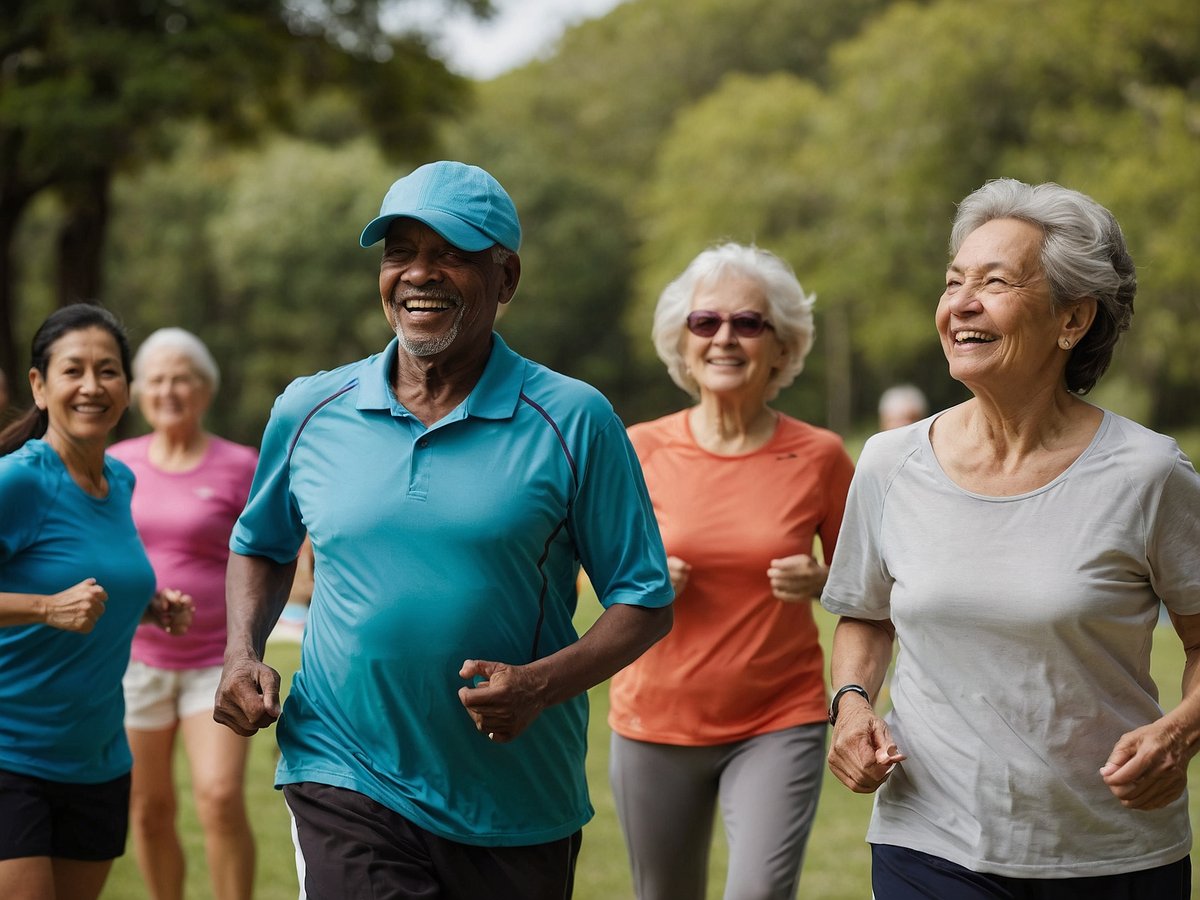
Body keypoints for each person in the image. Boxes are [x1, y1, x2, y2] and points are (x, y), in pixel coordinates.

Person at [213, 160, 674, 900]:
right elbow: (260, 545)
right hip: (344, 769)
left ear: (506, 277)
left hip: (516, 800)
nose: (418, 274)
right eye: (400, 252)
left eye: (452, 254)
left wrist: (539, 686)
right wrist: (240, 654)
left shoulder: (573, 419)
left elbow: (645, 600)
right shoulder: (309, 409)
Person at [822, 178, 1198, 899]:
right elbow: (865, 614)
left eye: (993, 283)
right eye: (953, 281)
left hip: (1112, 852)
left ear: (1073, 318)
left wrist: (1179, 733)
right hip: (928, 842)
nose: (960, 304)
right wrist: (851, 702)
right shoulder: (888, 463)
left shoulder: (1148, 473)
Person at [608, 243, 855, 900]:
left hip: (778, 718)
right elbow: (589, 581)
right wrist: (643, 580)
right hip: (655, 721)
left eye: (748, 323)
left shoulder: (821, 455)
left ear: (782, 346)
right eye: (705, 322)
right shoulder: (638, 448)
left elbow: (871, 585)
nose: (724, 338)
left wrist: (821, 581)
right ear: (682, 342)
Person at [0, 304, 193, 900]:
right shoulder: (20, 480)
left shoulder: (121, 480)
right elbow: (55, 594)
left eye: (108, 371)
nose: (91, 386)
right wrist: (44, 608)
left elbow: (91, 569)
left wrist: (146, 602)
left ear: (127, 387)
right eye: (73, 370)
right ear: (39, 385)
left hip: (99, 759)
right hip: (11, 752)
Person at [108, 328, 258, 900]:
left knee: (219, 797)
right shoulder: (116, 464)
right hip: (134, 660)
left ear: (205, 389)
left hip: (215, 662)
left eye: (183, 378)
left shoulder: (240, 464)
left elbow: (269, 551)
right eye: (158, 378)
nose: (170, 390)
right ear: (141, 390)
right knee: (147, 808)